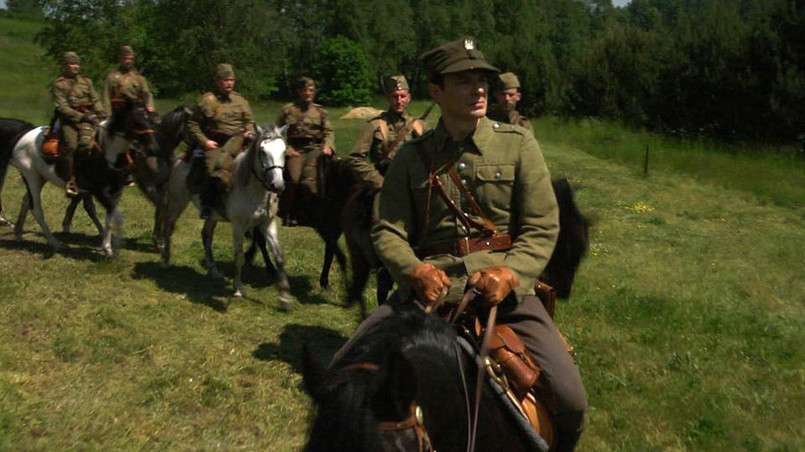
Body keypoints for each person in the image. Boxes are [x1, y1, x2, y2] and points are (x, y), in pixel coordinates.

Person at [337, 38, 587, 451]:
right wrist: (413, 270)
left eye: (483, 82)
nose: (479, 90)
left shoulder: (518, 144)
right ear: (436, 91)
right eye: (465, 82)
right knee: (342, 373)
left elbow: (543, 224)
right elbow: (387, 229)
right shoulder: (411, 157)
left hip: (505, 296)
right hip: (427, 293)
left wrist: (512, 273)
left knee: (571, 400)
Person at [187, 63, 255, 219]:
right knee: (214, 169)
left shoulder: (241, 100)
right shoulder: (207, 100)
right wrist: (205, 142)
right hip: (215, 142)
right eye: (225, 80)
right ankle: (209, 205)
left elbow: (249, 121)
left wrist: (249, 130)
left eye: (231, 80)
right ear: (217, 81)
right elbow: (193, 124)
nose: (229, 83)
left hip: (238, 141)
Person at [348, 75, 428, 190]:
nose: (399, 101)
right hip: (384, 184)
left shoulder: (420, 127)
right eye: (395, 96)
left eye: (403, 96)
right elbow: (355, 159)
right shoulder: (374, 125)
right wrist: (380, 182)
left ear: (409, 98)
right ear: (388, 98)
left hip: (414, 185)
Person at [276, 77, 335, 226]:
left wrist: (328, 146)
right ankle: (287, 211)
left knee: (309, 179)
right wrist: (286, 149)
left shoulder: (320, 112)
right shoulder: (288, 110)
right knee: (294, 178)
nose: (307, 93)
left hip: (314, 149)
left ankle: (307, 213)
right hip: (294, 149)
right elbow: (276, 132)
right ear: (298, 92)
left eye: (311, 90)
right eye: (304, 90)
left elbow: (328, 132)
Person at [51, 51, 106, 197]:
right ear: (64, 65)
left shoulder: (86, 81)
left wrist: (101, 112)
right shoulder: (59, 84)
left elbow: (95, 100)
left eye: (77, 64)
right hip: (70, 121)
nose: (75, 67)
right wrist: (81, 117)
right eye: (72, 64)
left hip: (90, 118)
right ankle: (71, 181)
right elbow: (62, 107)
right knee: (72, 146)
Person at [103, 45, 155, 116]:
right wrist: (108, 113)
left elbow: (147, 94)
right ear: (120, 59)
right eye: (125, 59)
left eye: (131, 59)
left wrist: (150, 107)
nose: (128, 61)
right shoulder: (111, 77)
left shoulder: (139, 78)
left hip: (136, 112)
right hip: (118, 112)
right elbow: (106, 97)